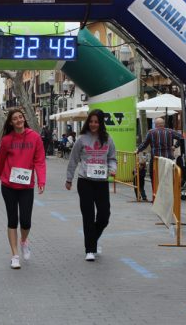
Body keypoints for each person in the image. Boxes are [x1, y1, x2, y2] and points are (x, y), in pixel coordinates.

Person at [0, 109, 46, 269]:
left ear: (24, 119)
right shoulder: (7, 140)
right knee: (12, 220)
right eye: (15, 118)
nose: (19, 120)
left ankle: (23, 241)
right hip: (8, 185)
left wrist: (41, 180)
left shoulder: (35, 137)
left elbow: (40, 161)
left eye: (20, 117)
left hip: (26, 186)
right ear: (10, 122)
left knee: (26, 221)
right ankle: (14, 255)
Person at [65, 109, 117, 261]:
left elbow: (112, 158)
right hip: (85, 181)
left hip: (101, 182)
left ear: (101, 123)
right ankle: (90, 249)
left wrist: (112, 169)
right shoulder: (81, 139)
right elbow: (73, 160)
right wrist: (69, 179)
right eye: (91, 121)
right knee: (88, 215)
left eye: (96, 121)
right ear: (88, 122)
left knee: (104, 215)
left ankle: (93, 239)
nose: (94, 124)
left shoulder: (108, 139)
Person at [137, 117, 183, 190]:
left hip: (156, 159)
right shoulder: (170, 131)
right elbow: (182, 138)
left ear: (155, 124)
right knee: (168, 176)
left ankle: (155, 194)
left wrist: (138, 150)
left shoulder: (151, 132)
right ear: (163, 124)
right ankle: (169, 193)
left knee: (155, 176)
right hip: (168, 158)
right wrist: (175, 146)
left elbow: (144, 144)